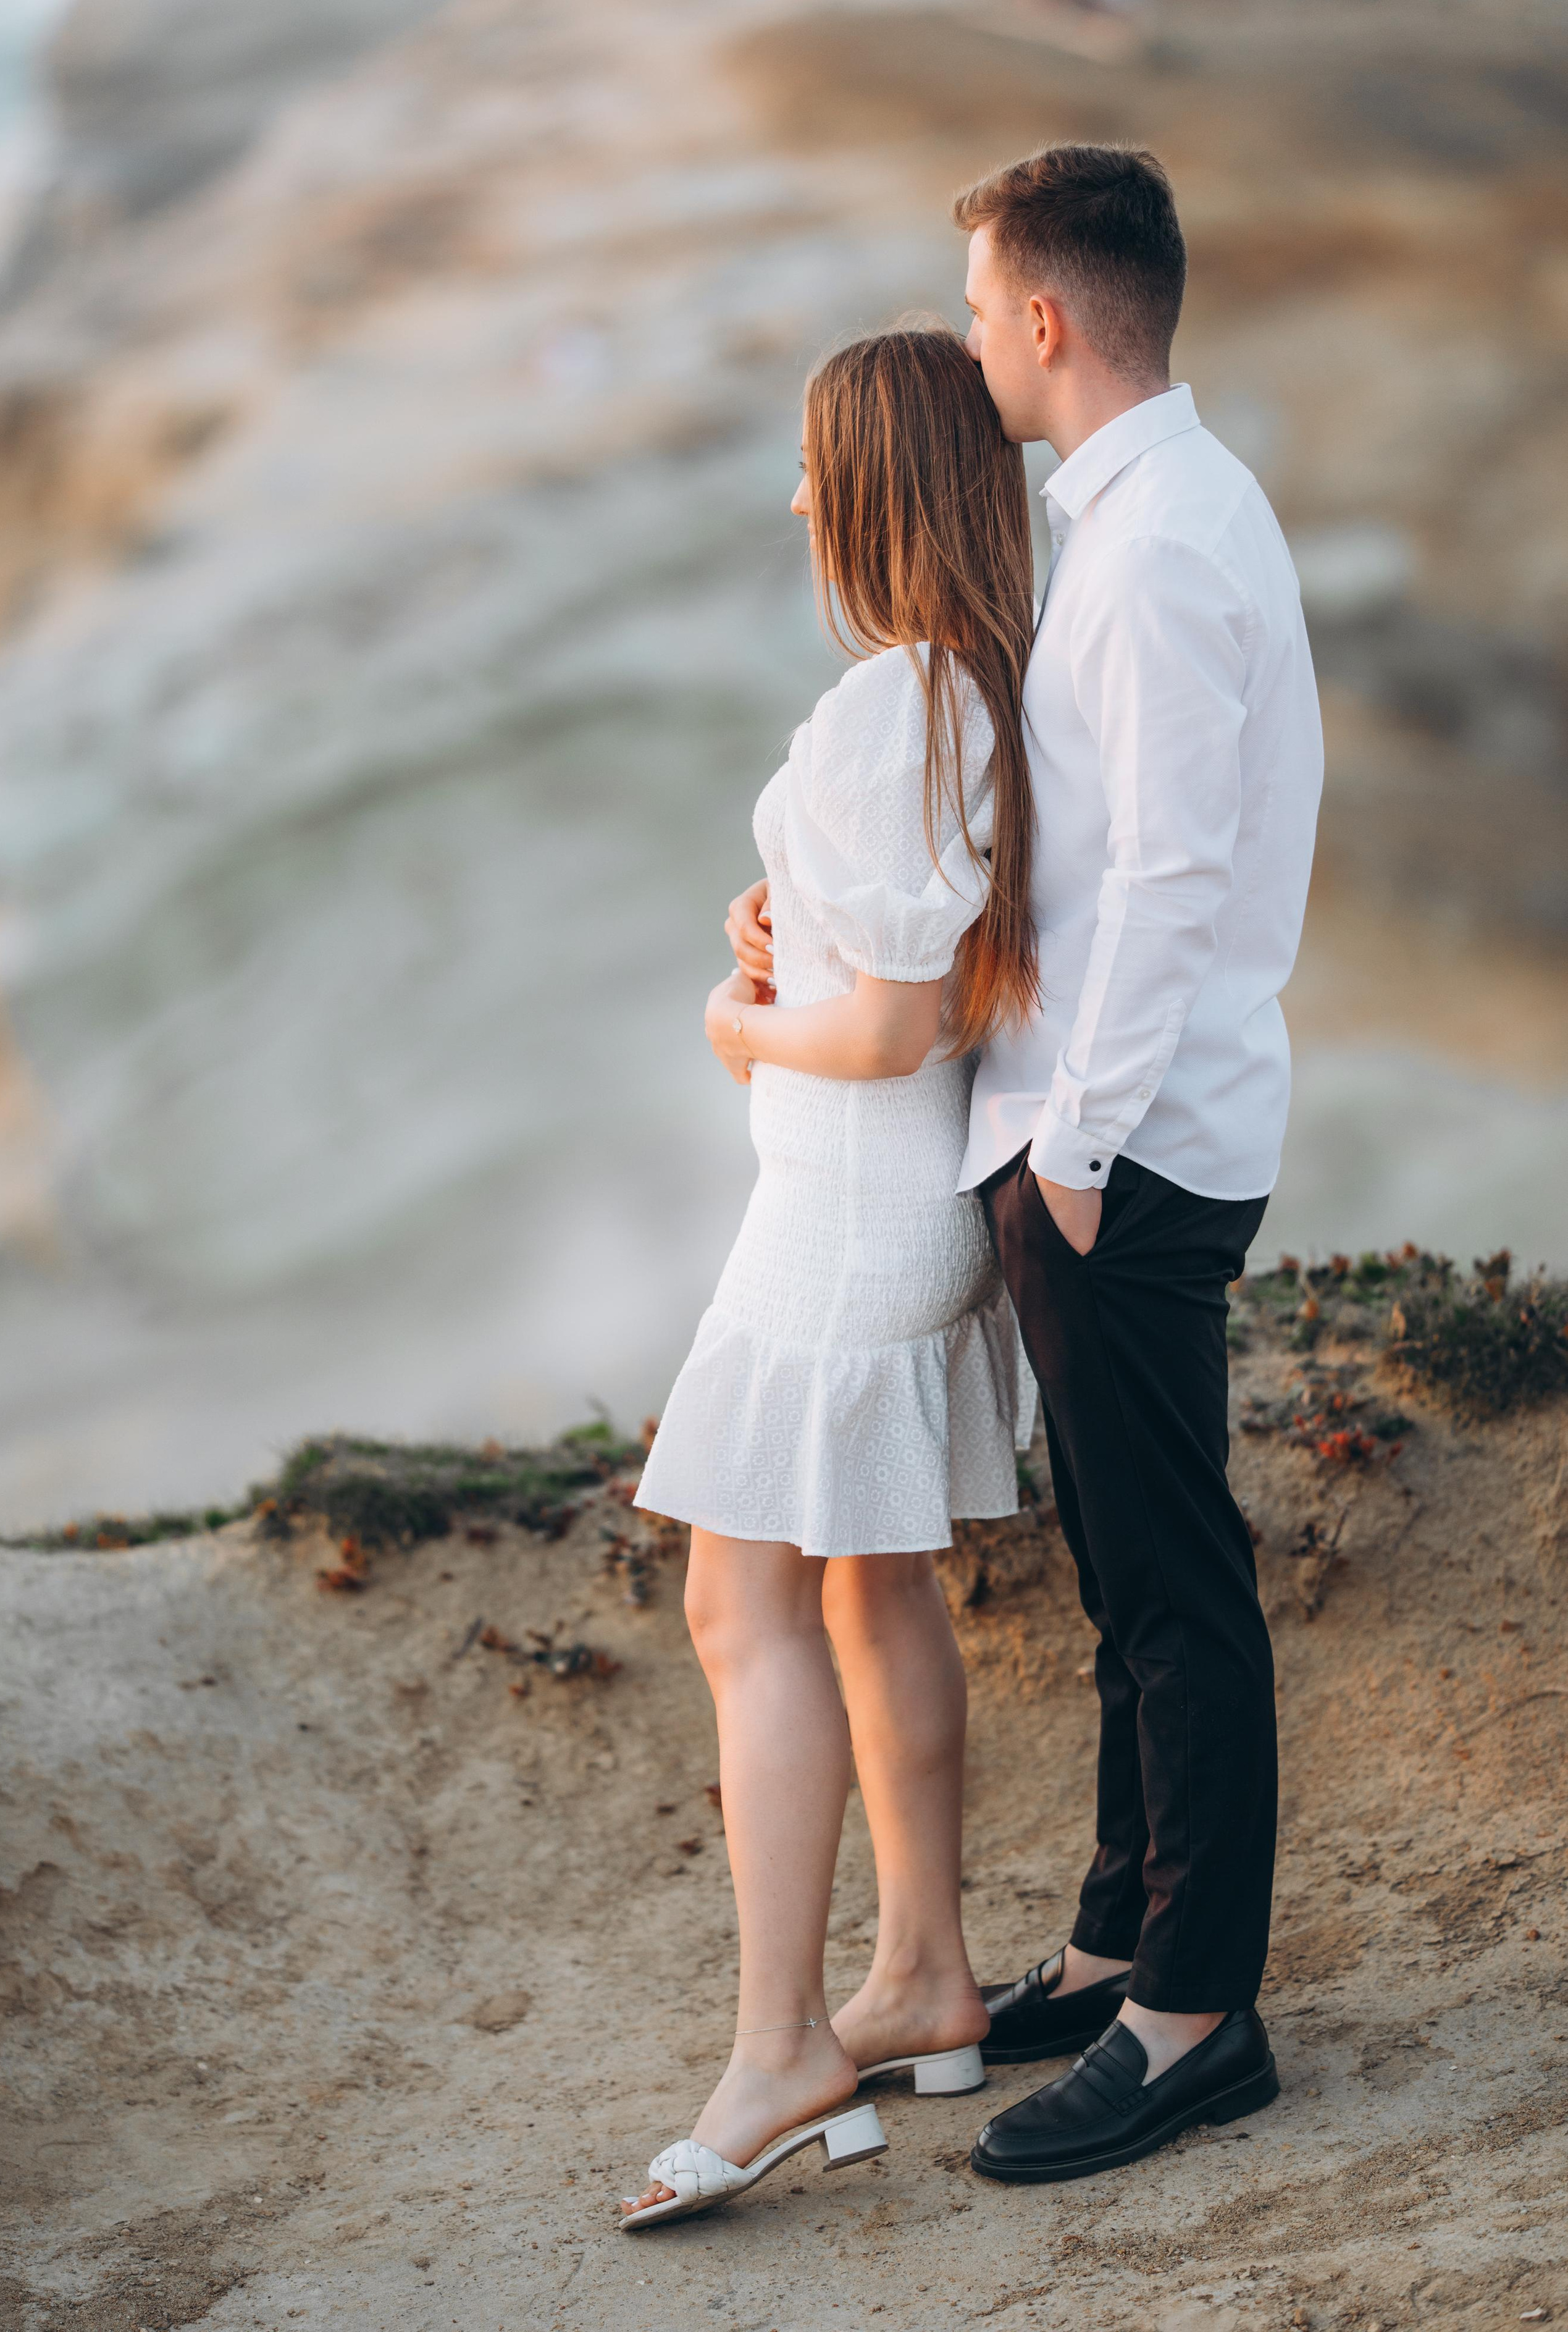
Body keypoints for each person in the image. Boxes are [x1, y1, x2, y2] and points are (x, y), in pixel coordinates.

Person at [736, 141, 1324, 2186]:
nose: (973, 333)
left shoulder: (1158, 550)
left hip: (1126, 1144)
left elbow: (1162, 883)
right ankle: (1113, 1934)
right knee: (1123, 1578)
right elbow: (1079, 848)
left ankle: (1193, 2017)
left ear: (1049, 320)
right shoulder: (1154, 514)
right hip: (1116, 1127)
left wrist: (1069, 1150)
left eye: (982, 304)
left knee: (1174, 1591)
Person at [619, 322, 1039, 2229]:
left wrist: (741, 1022)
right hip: (918, 1214)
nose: (794, 498)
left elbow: (881, 1027)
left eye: (813, 467)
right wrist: (792, 948)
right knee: (870, 1594)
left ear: (868, 488)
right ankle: (926, 1979)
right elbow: (919, 967)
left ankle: (786, 2041)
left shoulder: (888, 704)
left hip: (844, 1213)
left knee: (741, 1608)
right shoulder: (981, 693)